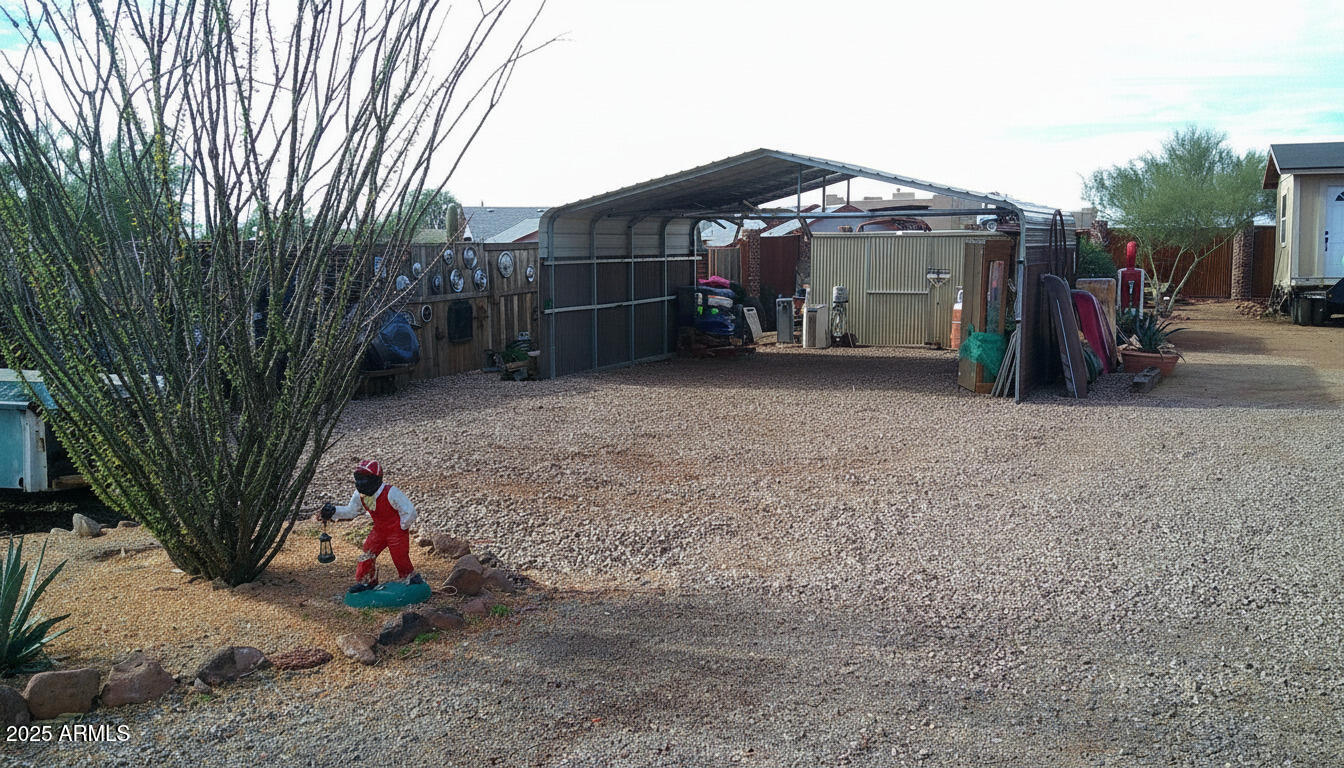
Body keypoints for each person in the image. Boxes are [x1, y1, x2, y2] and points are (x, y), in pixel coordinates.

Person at [320, 459, 422, 593]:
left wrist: (402, 526)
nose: (360, 483)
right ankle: (367, 581)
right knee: (368, 551)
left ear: (375, 479)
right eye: (358, 479)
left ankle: (410, 577)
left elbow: (409, 511)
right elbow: (351, 511)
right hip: (379, 529)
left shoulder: (391, 492)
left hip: (395, 530)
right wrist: (334, 510)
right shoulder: (360, 495)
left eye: (365, 479)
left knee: (399, 556)